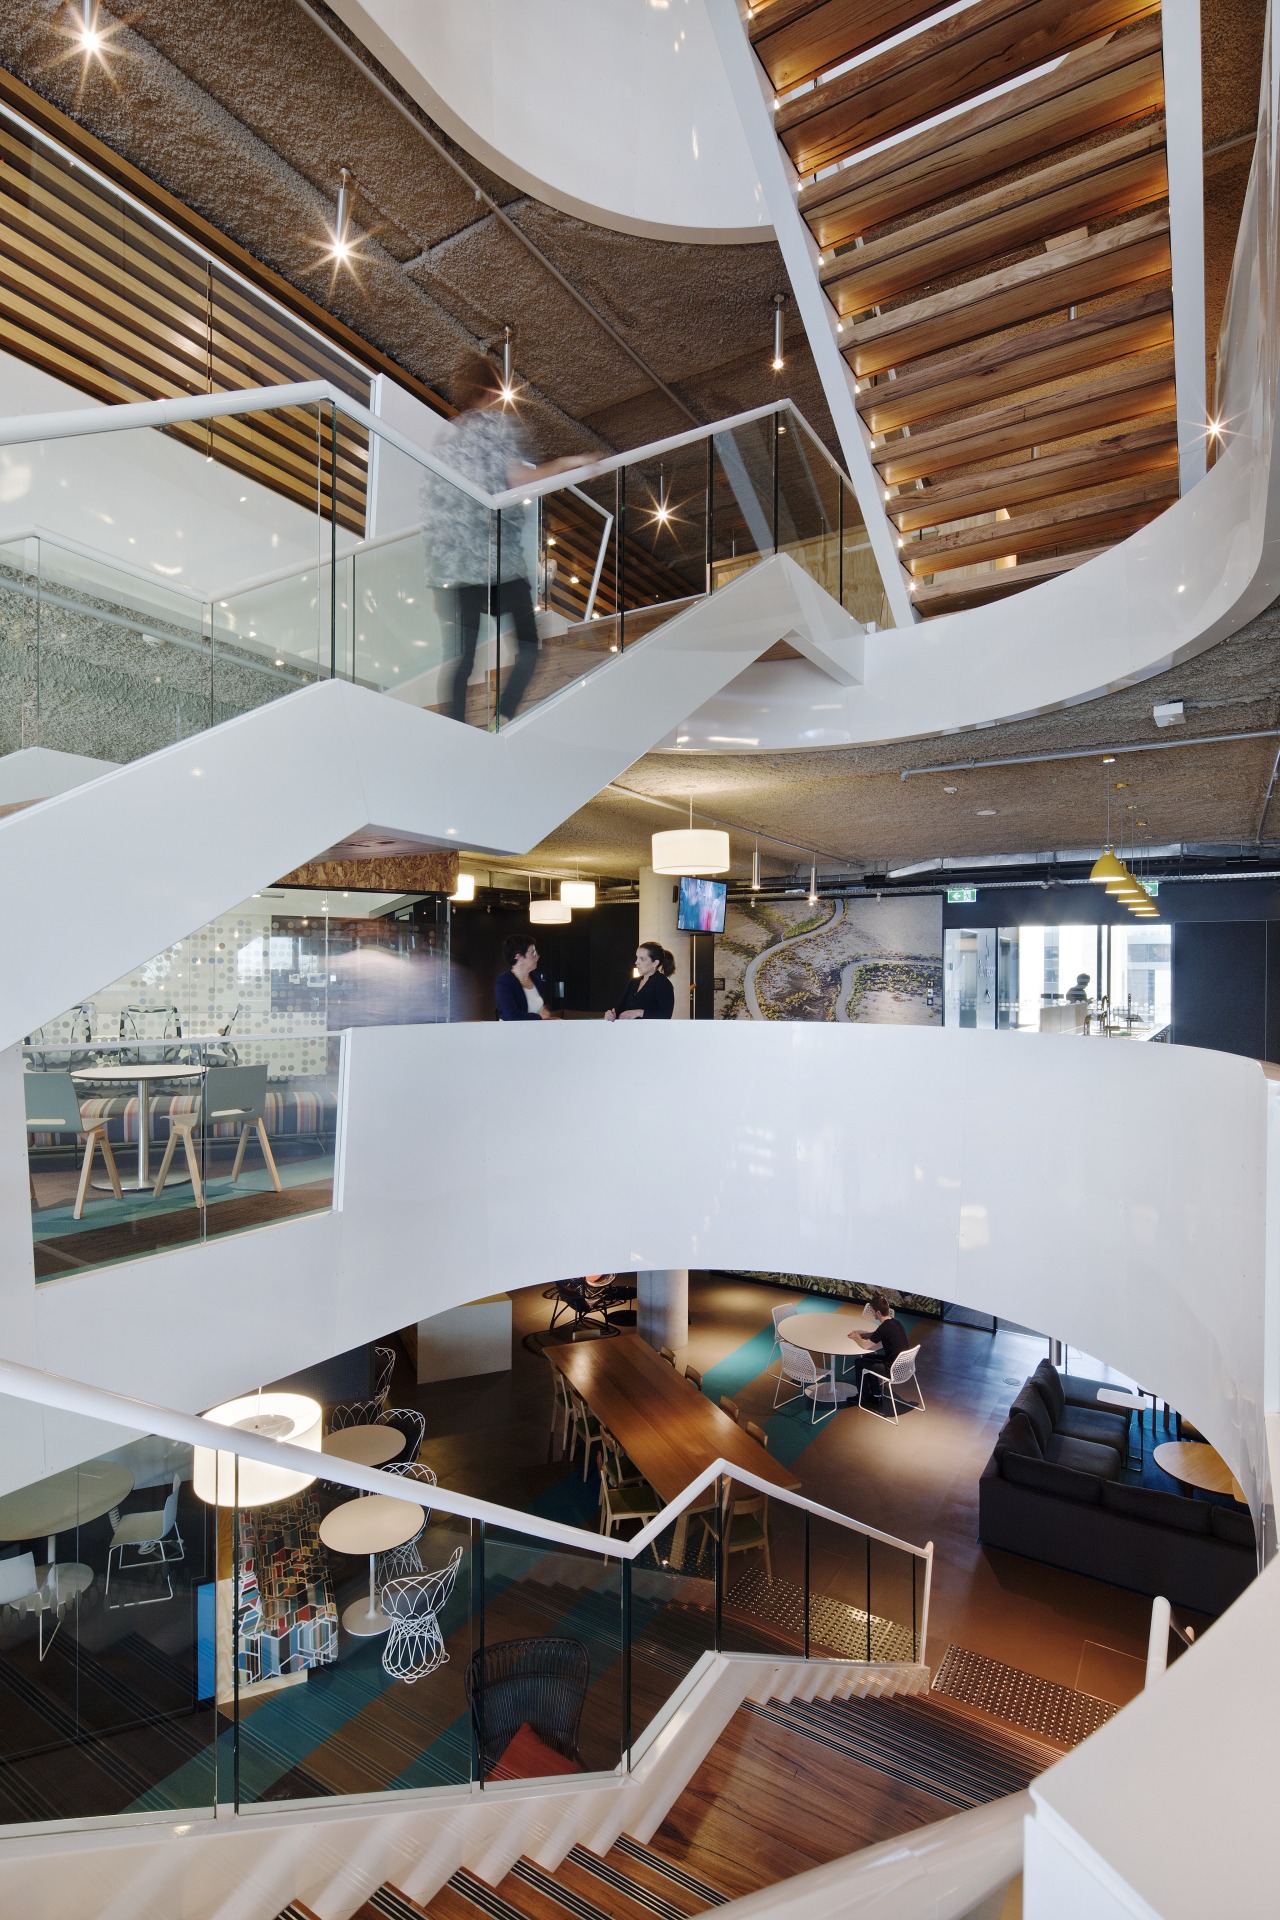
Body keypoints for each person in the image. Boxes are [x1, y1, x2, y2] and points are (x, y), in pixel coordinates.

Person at [423, 350, 593, 726]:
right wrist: (566, 464)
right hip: (498, 563)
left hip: (458, 570)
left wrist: (438, 581)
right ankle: (503, 716)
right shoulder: (496, 427)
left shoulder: (447, 442)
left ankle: (453, 728)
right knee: (530, 646)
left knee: (462, 659)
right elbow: (518, 479)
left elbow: (433, 512)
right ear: (492, 391)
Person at [855, 1293, 909, 1405]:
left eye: (872, 1310)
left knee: (859, 1362)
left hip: (893, 1370)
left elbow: (866, 1346)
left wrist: (856, 1337)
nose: (871, 1312)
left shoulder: (884, 1327)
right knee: (867, 1358)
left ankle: (863, 1396)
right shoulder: (895, 1322)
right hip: (904, 1366)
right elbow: (878, 1334)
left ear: (878, 1312)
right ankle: (876, 1394)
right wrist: (865, 1334)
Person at [605, 942, 676, 1020]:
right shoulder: (633, 982)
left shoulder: (663, 983)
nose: (636, 962)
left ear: (655, 963)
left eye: (642, 959)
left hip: (650, 1031)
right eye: (637, 957)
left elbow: (665, 1015)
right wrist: (611, 1014)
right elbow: (620, 1009)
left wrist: (639, 1012)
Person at [495, 937, 558, 1021]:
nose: (537, 956)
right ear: (518, 957)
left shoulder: (535, 978)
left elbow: (542, 1011)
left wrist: (547, 1015)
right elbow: (511, 1015)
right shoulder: (505, 981)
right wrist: (540, 1017)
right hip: (512, 1033)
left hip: (535, 1032)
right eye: (533, 953)